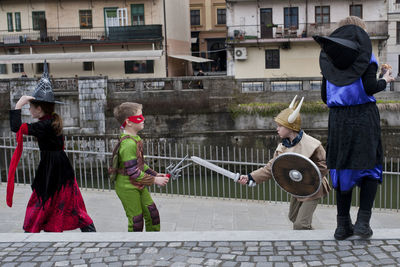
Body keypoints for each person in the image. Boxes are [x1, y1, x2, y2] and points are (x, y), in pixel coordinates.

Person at [313, 16, 395, 240]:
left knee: (343, 167)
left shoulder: (329, 58)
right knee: (370, 165)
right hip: (363, 117)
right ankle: (362, 222)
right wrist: (385, 80)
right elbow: (369, 87)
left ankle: (342, 226)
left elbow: (324, 96)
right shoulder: (365, 55)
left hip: (338, 120)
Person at [7, 61, 96, 232]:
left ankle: (32, 228)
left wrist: (19, 104)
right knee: (67, 198)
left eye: (31, 107)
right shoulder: (50, 121)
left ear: (39, 109)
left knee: (43, 197)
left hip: (52, 167)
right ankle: (87, 229)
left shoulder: (44, 126)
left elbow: (16, 128)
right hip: (59, 165)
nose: (29, 110)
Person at [238, 96, 330, 230]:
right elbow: (271, 168)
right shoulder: (283, 147)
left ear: (290, 127)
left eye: (280, 126)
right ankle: (315, 237)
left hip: (313, 187)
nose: (277, 129)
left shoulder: (312, 144)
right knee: (293, 217)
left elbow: (325, 164)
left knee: (300, 224)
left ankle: (312, 243)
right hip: (298, 187)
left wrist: (307, 174)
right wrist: (250, 177)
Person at [112, 102, 169, 232]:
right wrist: (154, 180)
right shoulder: (128, 144)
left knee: (152, 214)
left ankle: (152, 241)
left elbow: (140, 164)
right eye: (139, 117)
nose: (143, 119)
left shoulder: (135, 139)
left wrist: (154, 174)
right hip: (127, 186)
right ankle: (134, 247)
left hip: (137, 184)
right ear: (129, 122)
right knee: (136, 221)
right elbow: (133, 172)